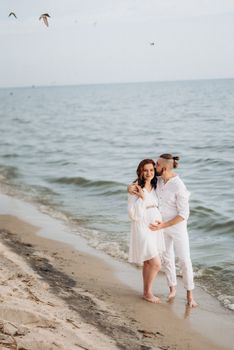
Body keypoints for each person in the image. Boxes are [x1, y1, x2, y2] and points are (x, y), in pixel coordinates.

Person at [128, 154, 197, 307]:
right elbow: (141, 182)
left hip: (175, 227)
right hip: (157, 226)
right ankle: (172, 288)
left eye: (156, 165)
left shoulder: (179, 186)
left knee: (184, 260)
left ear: (163, 168)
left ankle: (190, 295)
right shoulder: (157, 181)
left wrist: (162, 226)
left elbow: (184, 214)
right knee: (166, 258)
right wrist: (129, 188)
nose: (154, 168)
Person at [128, 159, 165, 304]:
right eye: (145, 170)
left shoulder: (156, 184)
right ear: (140, 171)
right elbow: (132, 213)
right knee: (156, 263)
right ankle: (148, 293)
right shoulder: (135, 188)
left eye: (151, 170)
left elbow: (169, 173)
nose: (149, 173)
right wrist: (142, 198)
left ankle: (145, 292)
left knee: (148, 263)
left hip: (155, 226)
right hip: (142, 226)